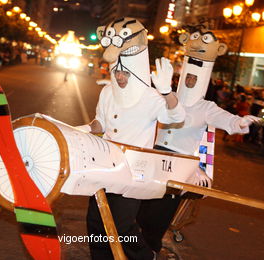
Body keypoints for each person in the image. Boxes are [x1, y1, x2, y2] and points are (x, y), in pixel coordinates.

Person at [137, 27, 261, 256]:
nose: (191, 78)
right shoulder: (166, 94)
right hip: (151, 160)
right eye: (189, 73)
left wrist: (242, 122)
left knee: (156, 222)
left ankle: (149, 253)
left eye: (197, 74)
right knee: (137, 215)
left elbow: (230, 122)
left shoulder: (207, 108)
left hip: (177, 170)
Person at [77, 17, 185, 260]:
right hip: (104, 166)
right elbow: (100, 123)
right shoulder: (107, 92)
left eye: (125, 72)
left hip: (135, 172)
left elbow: (175, 116)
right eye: (117, 71)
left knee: (123, 226)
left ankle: (147, 258)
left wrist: (167, 92)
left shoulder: (151, 96)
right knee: (96, 222)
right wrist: (81, 128)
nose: (120, 76)